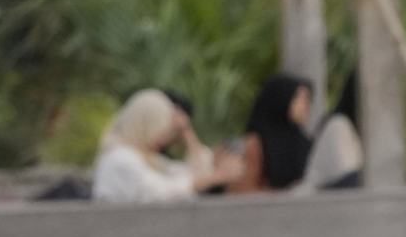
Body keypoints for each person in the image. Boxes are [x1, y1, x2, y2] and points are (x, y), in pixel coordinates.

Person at [221, 72, 365, 194]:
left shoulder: (303, 141)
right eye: (299, 99)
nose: (305, 106)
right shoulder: (253, 144)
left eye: (307, 99)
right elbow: (241, 192)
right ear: (281, 100)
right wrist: (286, 195)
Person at [89, 89, 204, 204]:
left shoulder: (148, 158)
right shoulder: (119, 158)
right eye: (157, 128)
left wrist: (186, 131)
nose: (165, 138)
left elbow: (199, 171)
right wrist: (213, 179)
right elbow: (159, 192)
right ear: (143, 125)